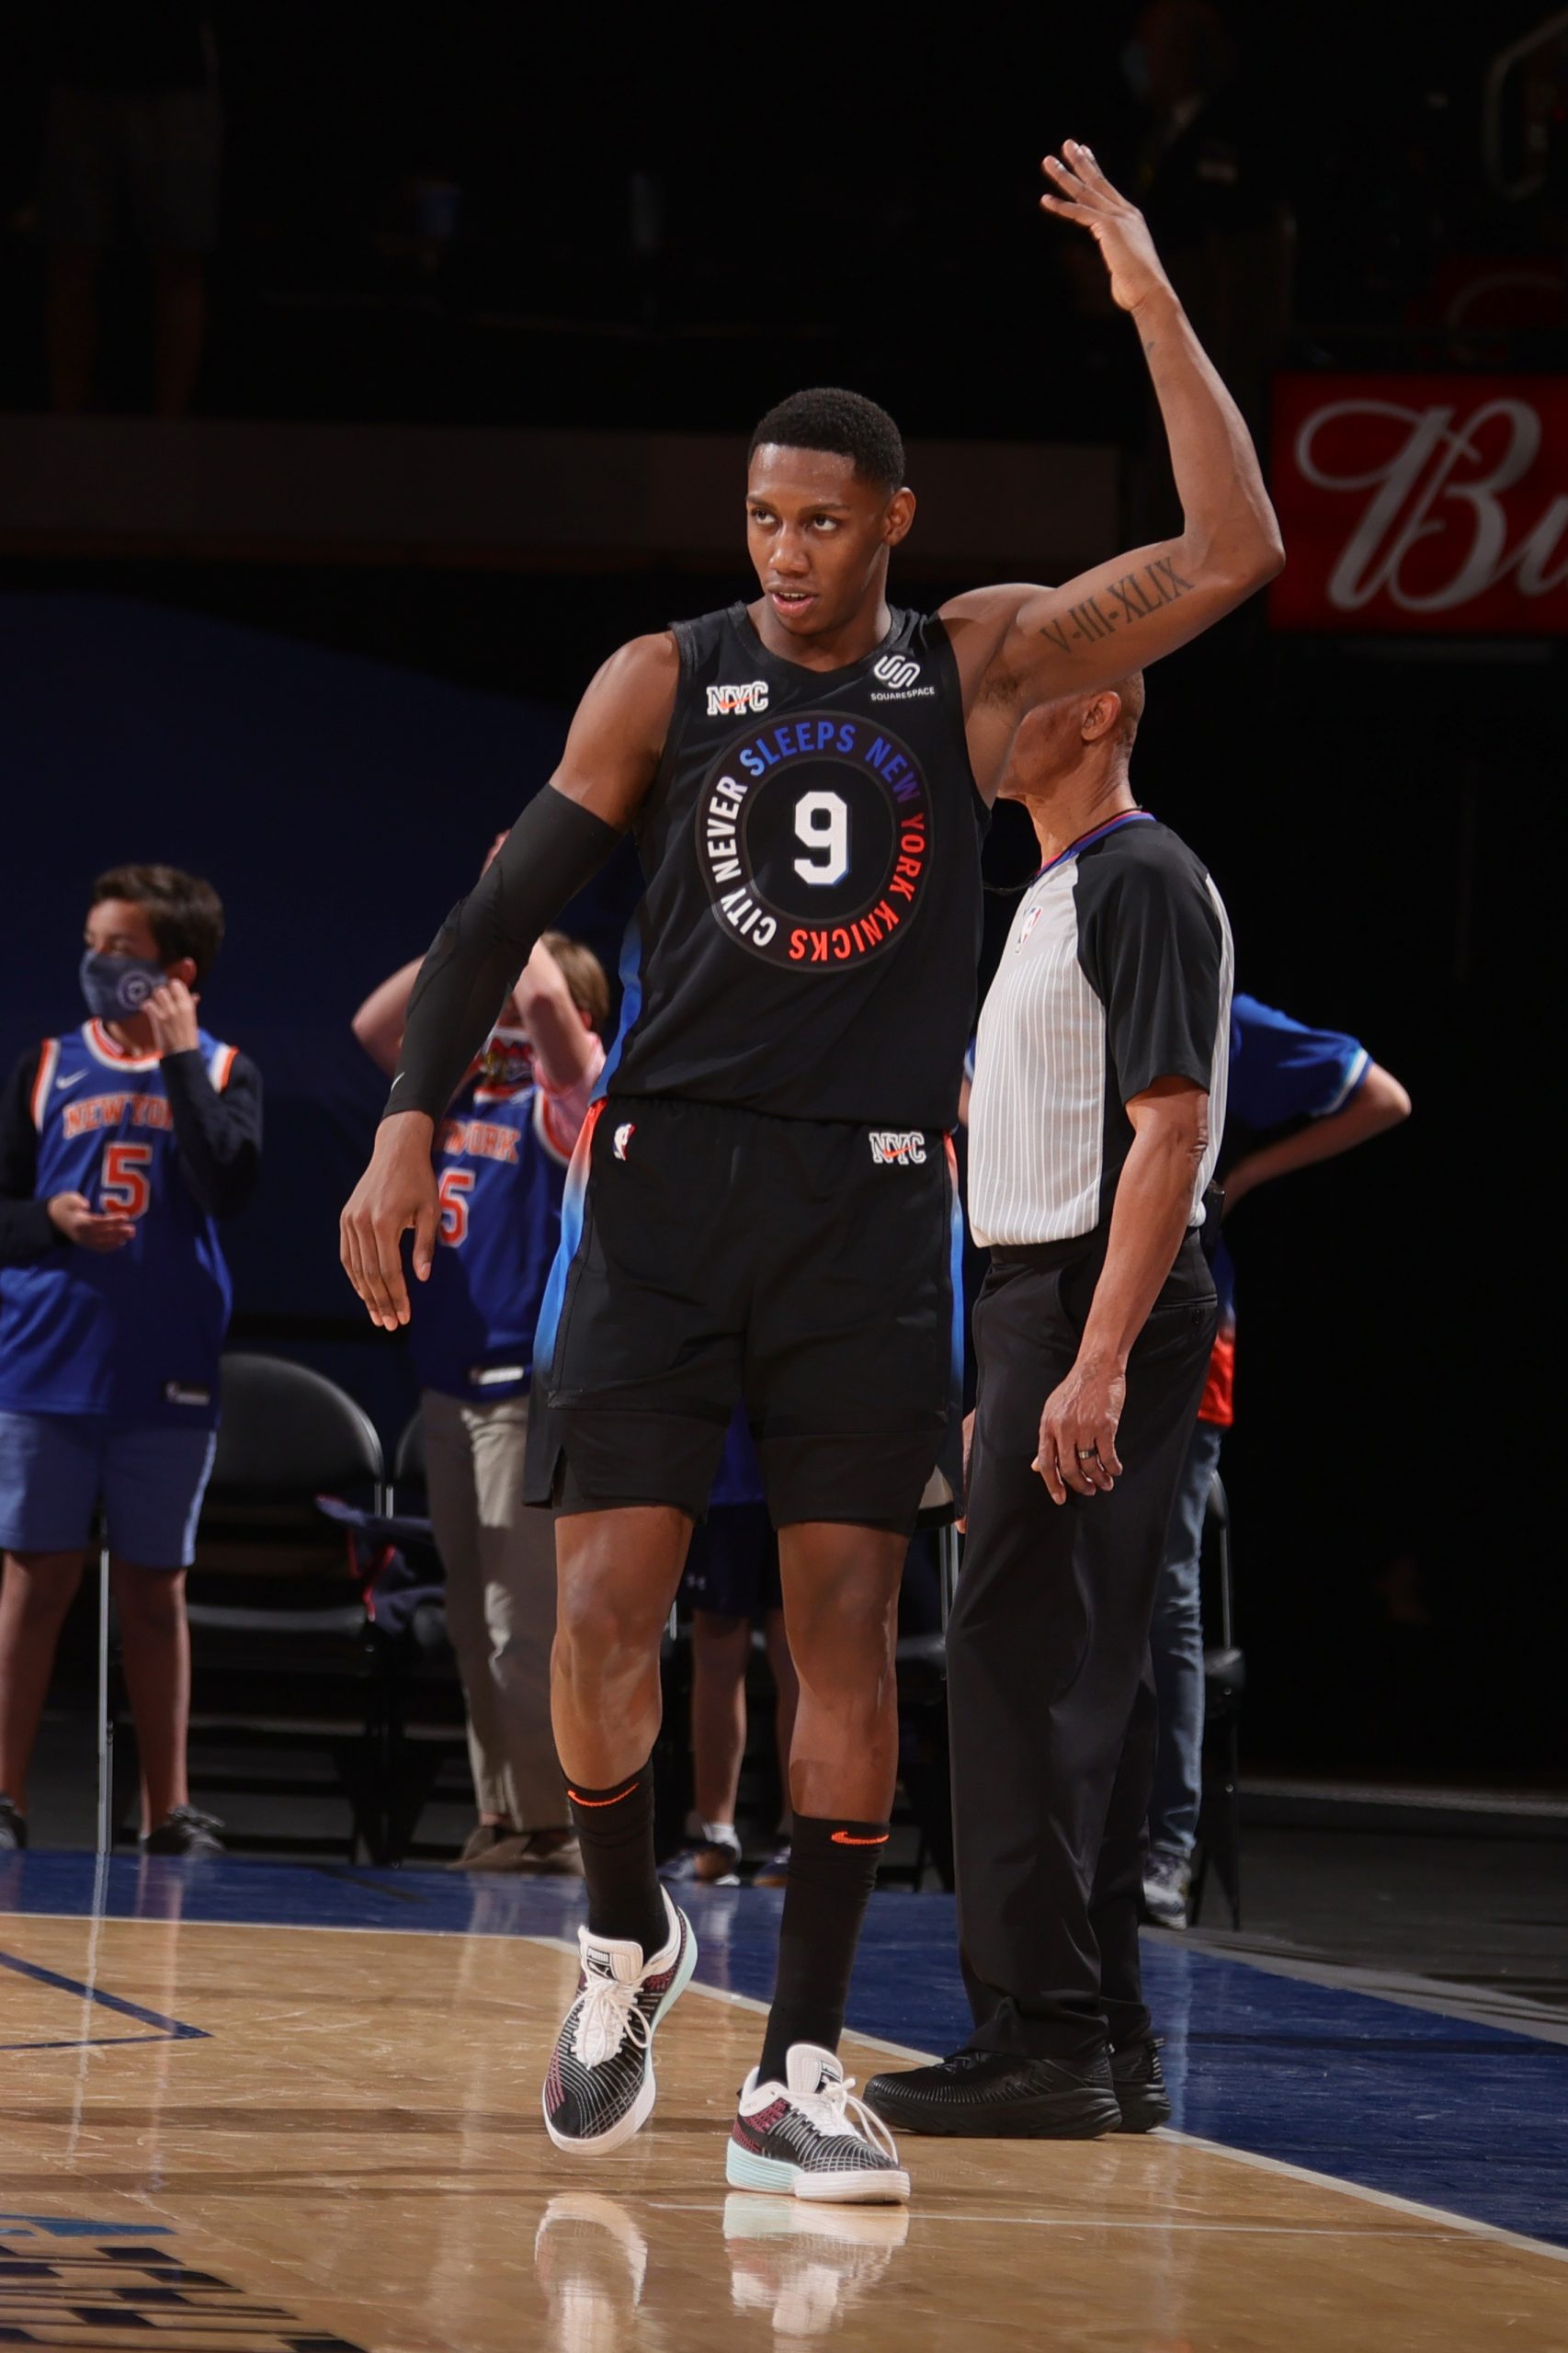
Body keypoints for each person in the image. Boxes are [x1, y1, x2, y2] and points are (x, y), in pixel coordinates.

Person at [340, 141, 1282, 2202]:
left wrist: (1143, 290)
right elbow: (507, 904)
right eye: (764, 518)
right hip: (667, 1187)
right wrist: (410, 1113)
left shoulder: (980, 663)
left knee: (847, 1625)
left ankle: (795, 2067)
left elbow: (1231, 541)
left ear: (895, 527)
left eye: (824, 521)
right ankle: (621, 1933)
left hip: (866, 1200)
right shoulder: (663, 678)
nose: (787, 550)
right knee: (600, 1603)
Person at [866, 668, 1230, 2142]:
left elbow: (1173, 1130)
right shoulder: (1055, 887)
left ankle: (1043, 2036)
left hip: (1094, 1301)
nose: (981, 715)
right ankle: (1102, 2037)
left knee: (1031, 1673)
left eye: (1014, 688)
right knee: (1070, 1672)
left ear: (1096, 707)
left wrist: (1088, 1358)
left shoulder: (1138, 876)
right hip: (1039, 1299)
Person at [0, 864, 260, 1856]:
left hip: (168, 1369)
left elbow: (228, 1184)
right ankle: (4, 1795)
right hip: (45, 1362)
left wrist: (181, 1056)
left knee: (156, 1592)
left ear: (177, 970)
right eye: (93, 942)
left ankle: (168, 1809)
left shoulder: (229, 1069)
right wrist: (49, 1220)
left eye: (122, 949)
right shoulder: (44, 1063)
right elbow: (3, 1214)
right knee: (34, 1585)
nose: (97, 962)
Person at [352, 875, 608, 1873]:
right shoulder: (461, 1094)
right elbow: (380, 1022)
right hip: (446, 1375)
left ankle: (554, 1822)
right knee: (468, 1615)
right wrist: (472, 928)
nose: (500, 1015)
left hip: (519, 1383)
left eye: (508, 1001)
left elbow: (548, 1010)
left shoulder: (568, 1101)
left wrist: (516, 911)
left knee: (518, 1622)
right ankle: (505, 1814)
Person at [1142, 995, 1411, 1927]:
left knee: (1162, 1588)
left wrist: (1247, 1173)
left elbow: (1381, 1096)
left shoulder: (1213, 1016)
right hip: (1058, 1315)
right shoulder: (1059, 993)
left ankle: (1163, 1850)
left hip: (1182, 1329)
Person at [40, 2, 222, 417]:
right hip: (81, 66)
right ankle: (65, 420)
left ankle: (170, 427)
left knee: (178, 256)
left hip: (173, 70)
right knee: (71, 256)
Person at [661, 1407, 799, 1890]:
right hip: (724, 1457)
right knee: (716, 1643)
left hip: (801, 1454)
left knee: (799, 1650)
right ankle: (714, 1834)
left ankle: (802, 1832)